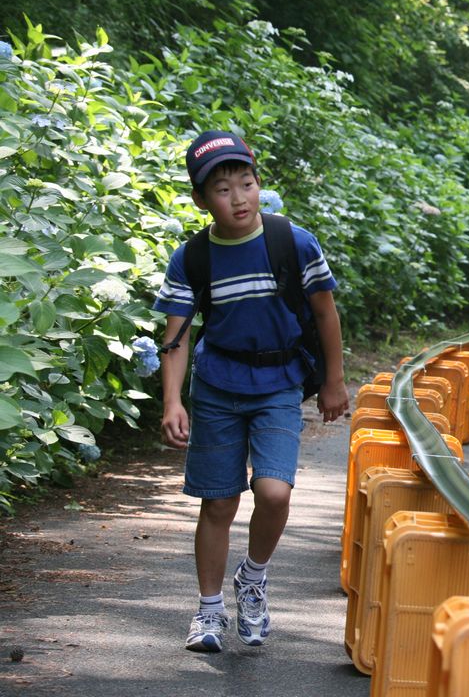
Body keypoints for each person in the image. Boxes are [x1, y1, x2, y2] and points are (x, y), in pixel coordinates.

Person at [155, 130, 350, 653]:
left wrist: (333, 381)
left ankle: (254, 577)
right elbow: (176, 334)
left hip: (280, 384)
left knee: (274, 491)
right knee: (217, 503)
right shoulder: (193, 258)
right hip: (218, 386)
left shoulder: (293, 241)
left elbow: (325, 312)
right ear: (201, 200)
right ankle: (209, 611)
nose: (238, 197)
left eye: (245, 182)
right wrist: (173, 400)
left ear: (258, 183)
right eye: (222, 189)